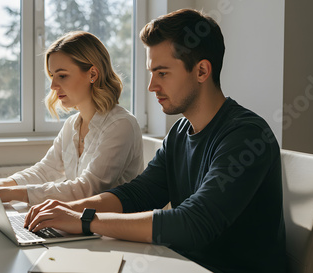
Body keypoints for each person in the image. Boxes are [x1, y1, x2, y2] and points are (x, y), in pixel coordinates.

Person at [23, 9, 286, 273]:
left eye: (162, 73)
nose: (151, 86)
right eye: (151, 73)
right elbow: (137, 195)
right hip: (184, 265)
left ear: (202, 71)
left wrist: (85, 219)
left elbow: (193, 223)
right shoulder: (180, 132)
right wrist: (63, 210)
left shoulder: (247, 136)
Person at [0, 31, 144, 207]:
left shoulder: (121, 125)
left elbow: (89, 189)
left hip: (113, 232)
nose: (53, 86)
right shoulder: (72, 125)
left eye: (62, 76)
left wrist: (14, 194)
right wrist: (0, 185)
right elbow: (45, 170)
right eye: (52, 75)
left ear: (92, 74)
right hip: (81, 225)